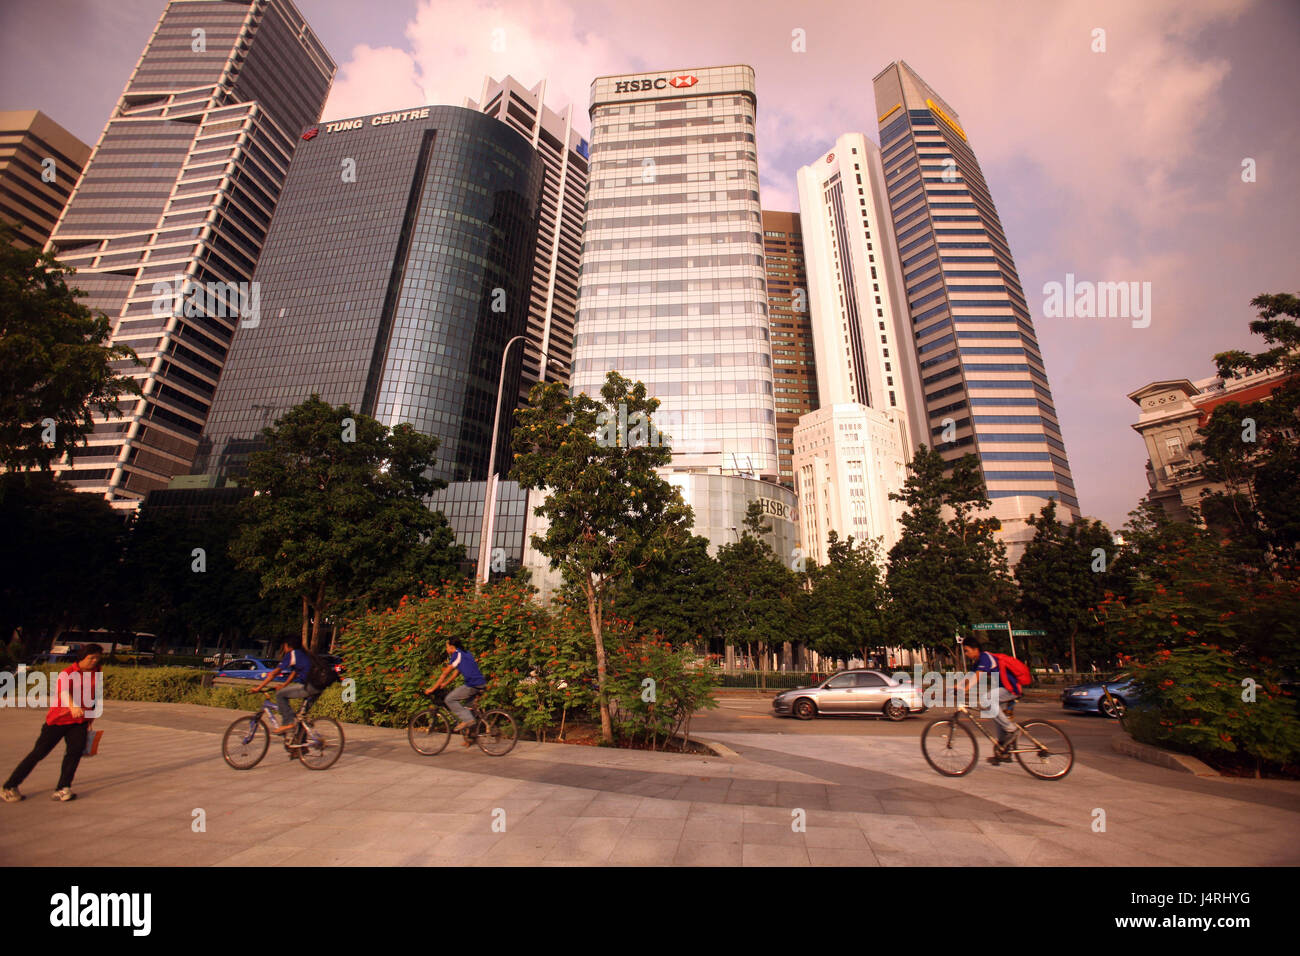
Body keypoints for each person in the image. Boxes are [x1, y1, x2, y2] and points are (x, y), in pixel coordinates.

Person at [3, 644, 103, 802]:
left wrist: (91, 716)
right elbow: (63, 692)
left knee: (74, 752)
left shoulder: (96, 672)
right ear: (82, 657)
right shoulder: (67, 673)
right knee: (39, 753)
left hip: (79, 721)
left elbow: (95, 694)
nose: (94, 661)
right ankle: (9, 786)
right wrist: (72, 706)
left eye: (97, 657)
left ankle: (63, 788)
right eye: (91, 658)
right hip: (59, 720)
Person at [957, 640, 1023, 764]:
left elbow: (977, 677)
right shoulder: (977, 662)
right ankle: (1003, 750)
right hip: (1002, 689)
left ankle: (1012, 730)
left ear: (975, 649)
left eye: (966, 650)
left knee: (986, 700)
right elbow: (969, 676)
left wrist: (964, 689)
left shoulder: (985, 657)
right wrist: (956, 686)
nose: (965, 653)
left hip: (1010, 688)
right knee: (996, 716)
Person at [423, 640, 488, 744]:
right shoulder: (465, 653)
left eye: (447, 646)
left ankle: (468, 721)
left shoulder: (456, 655)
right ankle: (470, 737)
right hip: (480, 683)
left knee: (449, 699)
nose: (446, 649)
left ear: (452, 647)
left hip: (472, 685)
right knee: (468, 708)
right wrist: (445, 684)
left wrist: (432, 689)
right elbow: (456, 673)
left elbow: (444, 673)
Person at [250, 637, 313, 734]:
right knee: (300, 718)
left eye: (284, 646)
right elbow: (294, 673)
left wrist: (258, 688)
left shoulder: (292, 654)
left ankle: (288, 723)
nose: (283, 648)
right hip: (317, 686)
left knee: (280, 694)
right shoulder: (301, 654)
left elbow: (274, 673)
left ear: (288, 645)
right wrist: (284, 685)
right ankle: (300, 744)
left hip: (309, 686)